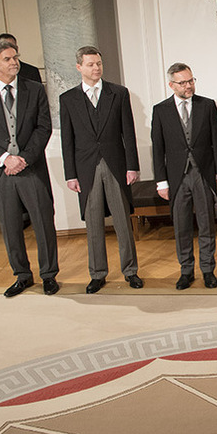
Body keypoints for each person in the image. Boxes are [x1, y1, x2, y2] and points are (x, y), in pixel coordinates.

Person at [0, 39, 59, 297]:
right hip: (1, 172)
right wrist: (5, 158)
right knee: (10, 227)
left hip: (31, 168)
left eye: (15, 57)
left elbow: (43, 128)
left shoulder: (35, 89)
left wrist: (24, 159)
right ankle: (22, 276)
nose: (14, 62)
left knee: (43, 222)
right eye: (8, 59)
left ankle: (49, 275)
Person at [60, 46, 143, 293]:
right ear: (79, 67)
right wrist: (70, 174)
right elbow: (68, 140)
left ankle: (130, 271)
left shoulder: (118, 93)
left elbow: (128, 132)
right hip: (86, 168)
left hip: (116, 166)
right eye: (90, 64)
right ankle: (97, 273)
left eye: (99, 63)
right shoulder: (68, 99)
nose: (96, 68)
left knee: (122, 222)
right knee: (93, 223)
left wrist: (132, 166)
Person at [151, 62, 217, 290]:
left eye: (191, 80)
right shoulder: (161, 110)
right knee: (181, 226)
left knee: (206, 224)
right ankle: (186, 271)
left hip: (203, 173)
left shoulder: (207, 106)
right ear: (172, 85)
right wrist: (161, 181)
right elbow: (158, 149)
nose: (189, 85)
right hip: (176, 177)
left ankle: (207, 270)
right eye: (183, 82)